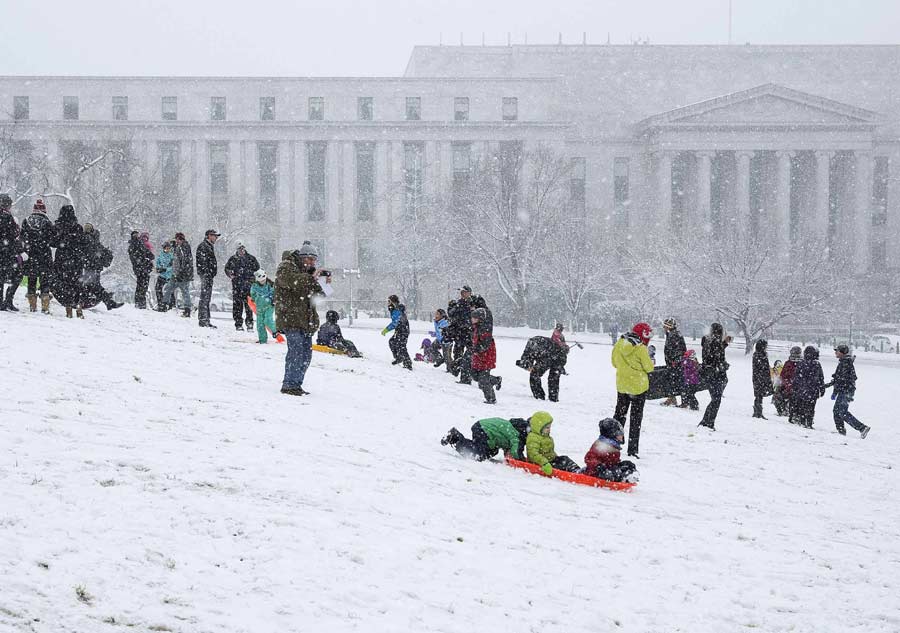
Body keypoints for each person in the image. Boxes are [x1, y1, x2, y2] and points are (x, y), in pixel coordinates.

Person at [275, 241, 329, 396]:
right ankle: (289, 385)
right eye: (310, 259)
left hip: (306, 320)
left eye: (314, 260)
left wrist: (325, 284)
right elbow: (292, 282)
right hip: (291, 318)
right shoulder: (286, 267)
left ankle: (296, 384)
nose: (312, 263)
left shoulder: (307, 274)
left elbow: (320, 296)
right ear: (302, 257)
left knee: (306, 355)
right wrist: (311, 277)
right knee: (296, 352)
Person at [611, 322, 654, 457]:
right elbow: (649, 368)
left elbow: (614, 363)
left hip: (622, 386)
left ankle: (612, 443)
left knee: (619, 415)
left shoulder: (619, 344)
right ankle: (632, 449)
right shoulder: (641, 348)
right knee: (636, 419)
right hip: (638, 388)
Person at [826, 344, 870, 438]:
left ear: (842, 352)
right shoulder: (843, 362)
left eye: (837, 351)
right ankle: (841, 430)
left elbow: (841, 379)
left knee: (842, 412)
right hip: (844, 390)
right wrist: (833, 390)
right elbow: (838, 379)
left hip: (846, 391)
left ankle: (862, 428)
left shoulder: (845, 363)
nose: (835, 352)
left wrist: (834, 389)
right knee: (836, 411)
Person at [51, 205, 86, 318]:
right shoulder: (78, 227)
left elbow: (53, 243)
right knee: (76, 284)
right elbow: (83, 243)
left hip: (62, 259)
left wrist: (62, 241)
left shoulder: (58, 227)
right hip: (76, 259)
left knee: (64, 284)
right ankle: (79, 307)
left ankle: (69, 308)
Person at [21, 199, 55, 314]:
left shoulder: (26, 221)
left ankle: (32, 305)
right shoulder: (48, 223)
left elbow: (22, 237)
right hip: (44, 255)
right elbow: (52, 240)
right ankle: (45, 306)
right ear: (44, 211)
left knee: (31, 279)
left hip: (30, 255)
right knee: (45, 280)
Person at [441, 417, 525, 461]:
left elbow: (508, 447)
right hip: (484, 430)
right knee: (479, 454)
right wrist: (521, 459)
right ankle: (455, 438)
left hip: (481, 427)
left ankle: (459, 439)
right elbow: (515, 451)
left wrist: (508, 454)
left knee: (492, 451)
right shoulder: (515, 435)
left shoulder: (509, 427)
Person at [583, 418, 639, 483]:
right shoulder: (600, 445)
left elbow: (612, 462)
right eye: (619, 434)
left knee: (627, 465)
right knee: (611, 474)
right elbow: (589, 458)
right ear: (612, 434)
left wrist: (621, 465)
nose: (621, 436)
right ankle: (618, 478)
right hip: (595, 472)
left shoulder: (614, 446)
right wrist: (598, 466)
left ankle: (628, 477)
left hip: (609, 469)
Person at [80, 224, 122, 311]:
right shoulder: (95, 241)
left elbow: (87, 253)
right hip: (94, 267)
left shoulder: (85, 239)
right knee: (93, 285)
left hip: (89, 267)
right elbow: (102, 252)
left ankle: (103, 300)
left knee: (91, 285)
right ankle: (107, 300)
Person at [698, 323, 732, 430]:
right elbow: (716, 357)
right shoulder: (715, 342)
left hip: (709, 374)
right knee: (716, 400)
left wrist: (724, 343)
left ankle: (706, 421)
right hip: (715, 375)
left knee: (715, 399)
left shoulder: (707, 340)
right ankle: (708, 422)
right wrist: (724, 365)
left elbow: (713, 352)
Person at [525, 411, 580, 475]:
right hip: (541, 463)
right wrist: (544, 463)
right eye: (547, 427)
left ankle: (577, 470)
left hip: (550, 460)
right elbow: (533, 454)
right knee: (559, 466)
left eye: (550, 427)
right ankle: (570, 474)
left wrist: (556, 458)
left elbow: (550, 450)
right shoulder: (533, 438)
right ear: (539, 427)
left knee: (564, 459)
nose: (549, 429)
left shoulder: (545, 436)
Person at [517, 335, 568, 402]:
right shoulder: (534, 345)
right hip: (554, 355)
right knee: (553, 378)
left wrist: (531, 368)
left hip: (551, 355)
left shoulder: (533, 346)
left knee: (535, 374)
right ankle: (552, 398)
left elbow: (528, 362)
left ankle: (540, 396)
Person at [224, 243, 260, 331]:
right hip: (237, 286)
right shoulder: (233, 259)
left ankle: (249, 323)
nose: (241, 251)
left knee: (249, 306)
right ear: (237, 250)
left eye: (242, 248)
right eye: (239, 249)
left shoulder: (251, 258)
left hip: (248, 286)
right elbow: (227, 269)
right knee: (237, 306)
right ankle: (238, 324)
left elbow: (257, 269)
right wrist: (231, 275)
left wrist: (252, 279)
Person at [0, 193, 26, 311]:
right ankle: (8, 300)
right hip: (7, 251)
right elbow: (14, 233)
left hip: (4, 250)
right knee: (17, 276)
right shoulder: (7, 216)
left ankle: (2, 302)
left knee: (1, 277)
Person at [471, 307, 502, 404]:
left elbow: (485, 345)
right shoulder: (476, 327)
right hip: (478, 356)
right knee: (475, 375)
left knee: (483, 380)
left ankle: (491, 398)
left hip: (486, 357)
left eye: (474, 318)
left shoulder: (485, 329)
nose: (472, 319)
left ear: (480, 319)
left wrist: (477, 350)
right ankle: (496, 380)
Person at [790, 346, 825, 429]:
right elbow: (820, 378)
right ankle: (809, 422)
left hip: (802, 389)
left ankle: (802, 421)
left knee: (802, 406)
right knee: (811, 407)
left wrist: (795, 387)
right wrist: (821, 388)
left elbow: (796, 377)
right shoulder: (817, 364)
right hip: (813, 390)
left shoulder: (801, 363)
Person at [164, 232, 193, 317]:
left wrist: (181, 272)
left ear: (180, 239)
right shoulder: (178, 247)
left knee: (184, 291)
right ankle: (164, 305)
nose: (176, 241)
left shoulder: (184, 247)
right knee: (169, 288)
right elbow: (175, 260)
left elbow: (185, 261)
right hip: (176, 273)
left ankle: (187, 309)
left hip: (182, 274)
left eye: (177, 239)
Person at [195, 229, 220, 328]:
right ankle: (203, 320)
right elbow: (202, 262)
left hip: (208, 275)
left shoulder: (208, 246)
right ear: (209, 236)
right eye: (215, 236)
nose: (216, 238)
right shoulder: (204, 246)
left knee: (206, 297)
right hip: (206, 275)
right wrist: (207, 272)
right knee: (205, 297)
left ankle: (206, 319)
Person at [381, 294, 412, 370]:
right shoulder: (394, 309)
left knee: (401, 346)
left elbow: (395, 323)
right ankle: (399, 358)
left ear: (393, 302)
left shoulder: (397, 310)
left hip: (403, 330)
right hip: (399, 330)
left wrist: (386, 330)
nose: (388, 303)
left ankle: (407, 363)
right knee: (393, 342)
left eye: (389, 301)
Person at [661, 318, 687, 406]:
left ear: (669, 326)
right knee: (673, 380)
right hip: (674, 362)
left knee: (677, 381)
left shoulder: (674, 335)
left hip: (675, 363)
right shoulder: (672, 334)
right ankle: (672, 398)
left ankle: (683, 401)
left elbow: (680, 350)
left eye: (665, 326)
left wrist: (674, 361)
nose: (663, 327)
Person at [127, 230, 154, 309]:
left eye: (137, 235)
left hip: (143, 267)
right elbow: (134, 258)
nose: (136, 236)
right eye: (135, 235)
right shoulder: (132, 246)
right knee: (141, 285)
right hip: (140, 268)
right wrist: (143, 260)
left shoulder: (140, 243)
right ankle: (140, 303)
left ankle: (140, 302)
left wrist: (149, 256)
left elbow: (146, 252)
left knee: (143, 285)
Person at [249, 269, 277, 344]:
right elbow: (252, 294)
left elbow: (274, 293)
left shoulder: (270, 285)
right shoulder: (254, 286)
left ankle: (275, 330)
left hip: (269, 306)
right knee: (260, 324)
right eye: (261, 281)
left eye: (264, 280)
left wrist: (274, 300)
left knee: (268, 320)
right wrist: (253, 299)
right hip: (259, 307)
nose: (262, 282)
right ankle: (262, 339)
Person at [752, 339, 773, 419]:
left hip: (761, 377)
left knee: (760, 395)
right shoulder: (759, 355)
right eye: (765, 346)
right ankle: (758, 412)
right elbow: (761, 367)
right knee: (759, 395)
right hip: (759, 377)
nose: (766, 348)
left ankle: (758, 411)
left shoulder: (760, 354)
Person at [780, 346, 802, 421]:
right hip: (793, 386)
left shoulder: (800, 363)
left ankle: (794, 415)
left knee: (795, 402)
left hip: (795, 386)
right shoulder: (790, 363)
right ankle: (794, 415)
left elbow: (783, 375)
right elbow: (783, 375)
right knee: (794, 401)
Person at [154, 241, 174, 311]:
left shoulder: (171, 256)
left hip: (169, 276)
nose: (167, 250)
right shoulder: (161, 255)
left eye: (169, 248)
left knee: (169, 290)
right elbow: (158, 263)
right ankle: (161, 304)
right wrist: (159, 268)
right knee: (158, 289)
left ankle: (170, 305)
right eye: (166, 248)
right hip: (162, 275)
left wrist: (166, 269)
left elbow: (173, 266)